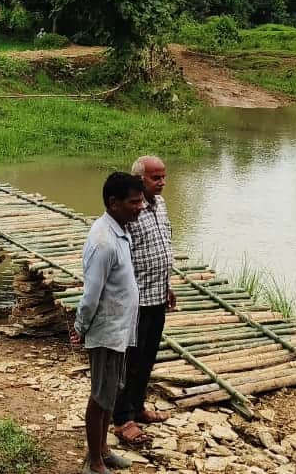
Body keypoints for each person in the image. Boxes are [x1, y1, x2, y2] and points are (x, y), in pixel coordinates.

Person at [71, 171, 146, 474]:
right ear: (114, 203)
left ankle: (102, 449)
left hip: (119, 330)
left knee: (110, 393)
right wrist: (79, 327)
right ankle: (94, 461)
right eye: (135, 201)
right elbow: (91, 295)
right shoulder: (103, 241)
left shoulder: (120, 229)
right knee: (100, 396)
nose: (141, 206)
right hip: (105, 331)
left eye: (141, 200)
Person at [112, 155, 177, 446]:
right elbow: (123, 256)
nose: (162, 182)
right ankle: (122, 418)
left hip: (157, 295)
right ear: (140, 179)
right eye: (155, 178)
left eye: (163, 177)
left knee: (148, 357)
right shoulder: (128, 211)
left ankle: (137, 408)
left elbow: (164, 243)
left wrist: (167, 284)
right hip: (135, 300)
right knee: (130, 362)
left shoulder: (160, 204)